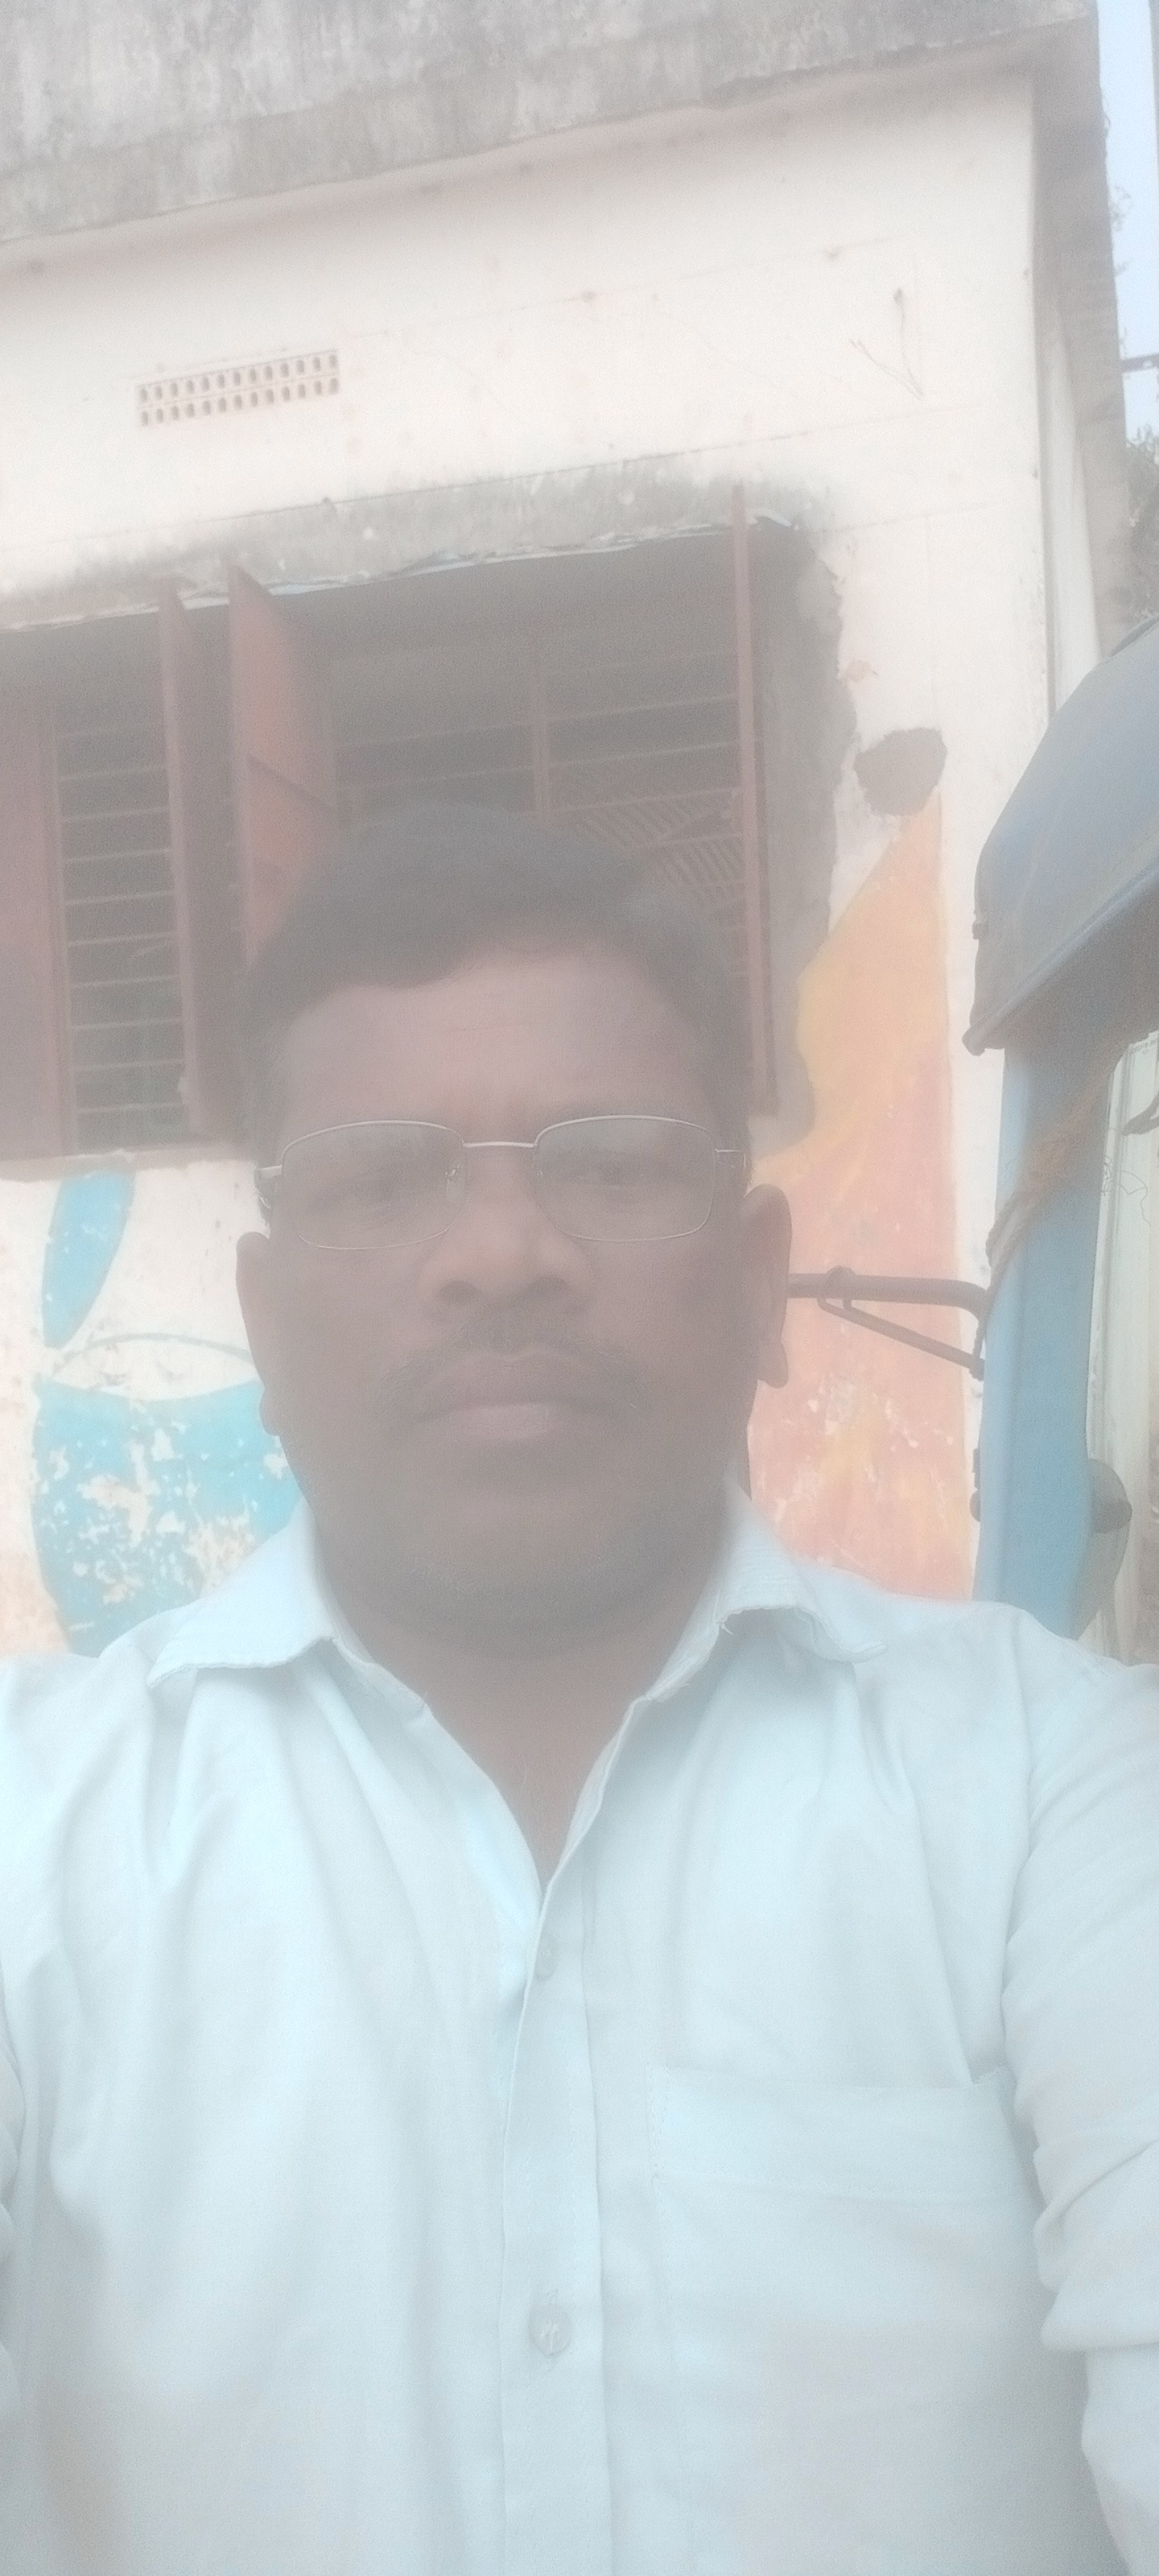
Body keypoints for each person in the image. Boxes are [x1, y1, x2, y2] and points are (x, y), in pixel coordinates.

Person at [0, 802, 1156, 2576]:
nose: (503, 1252)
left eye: (610, 1164)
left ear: (761, 1283)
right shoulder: (44, 1828)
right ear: (265, 1319)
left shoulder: (1052, 1793)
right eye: (383, 1181)